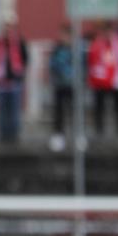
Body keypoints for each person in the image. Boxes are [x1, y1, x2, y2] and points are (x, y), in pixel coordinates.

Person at [0, 15, 28, 143]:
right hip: (0, 83)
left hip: (15, 82)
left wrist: (19, 75)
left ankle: (14, 136)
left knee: (15, 111)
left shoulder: (19, 43)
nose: (7, 30)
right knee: (2, 112)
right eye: (5, 27)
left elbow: (25, 59)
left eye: (9, 27)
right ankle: (3, 135)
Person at [88, 20, 118, 138]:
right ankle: (99, 130)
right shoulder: (97, 44)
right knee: (99, 108)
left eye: (110, 31)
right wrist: (92, 79)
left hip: (117, 82)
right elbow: (92, 62)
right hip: (100, 82)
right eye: (106, 31)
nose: (108, 33)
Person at [48, 24, 74, 152]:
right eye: (63, 35)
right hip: (59, 84)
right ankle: (58, 137)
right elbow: (52, 64)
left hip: (73, 86)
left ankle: (75, 136)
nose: (65, 38)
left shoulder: (75, 49)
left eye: (67, 35)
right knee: (59, 112)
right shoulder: (57, 48)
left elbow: (82, 64)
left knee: (73, 111)